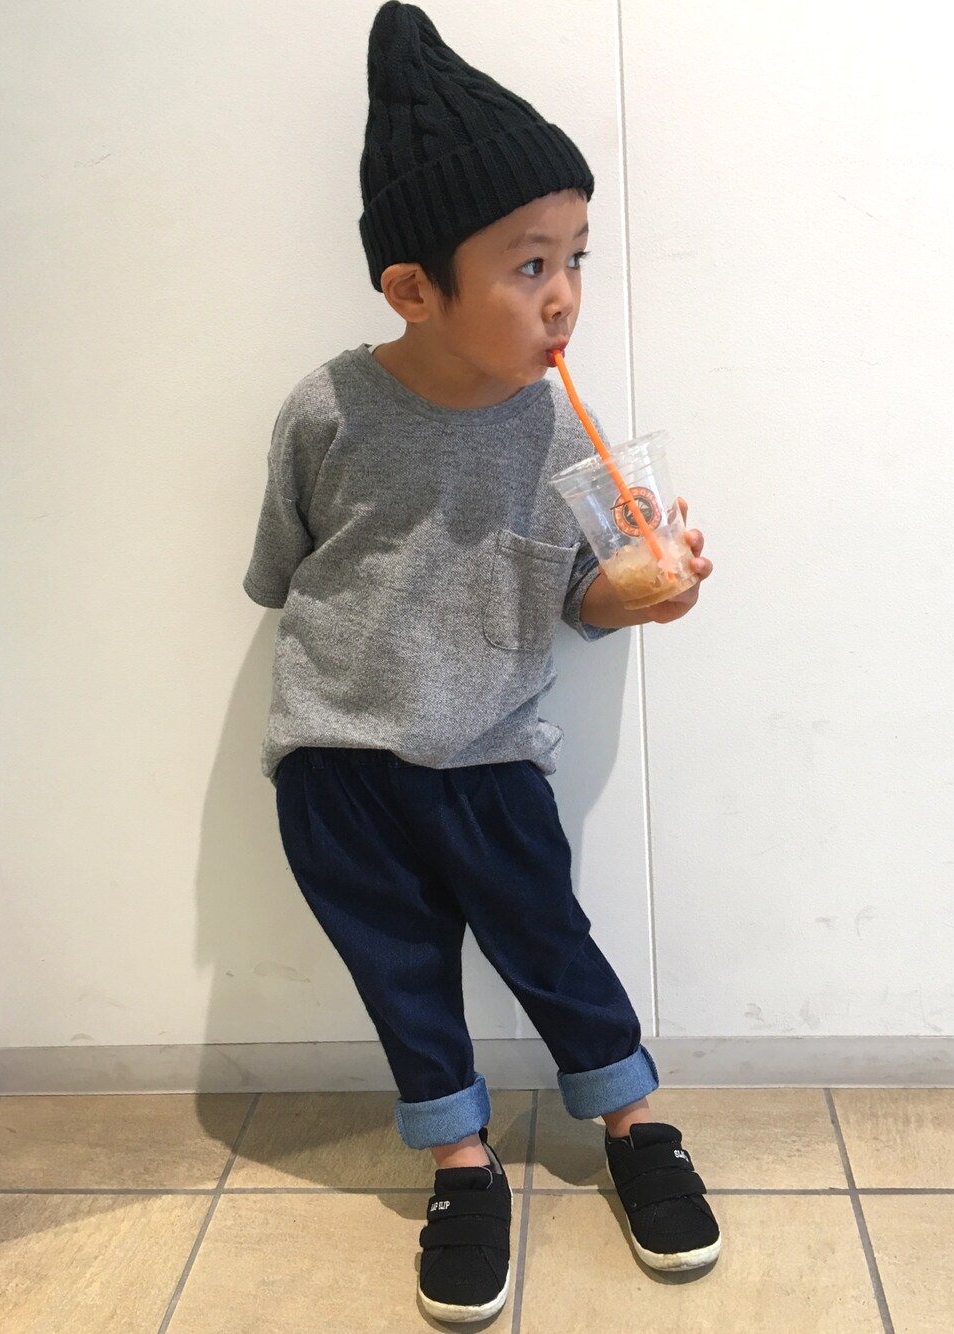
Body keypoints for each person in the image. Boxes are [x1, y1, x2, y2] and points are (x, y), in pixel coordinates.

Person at [243, 2, 718, 1323]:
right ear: (413, 289)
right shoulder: (328, 409)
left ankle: (632, 1123)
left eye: (576, 256)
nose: (563, 293)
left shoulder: (560, 428)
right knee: (398, 969)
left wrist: (650, 593)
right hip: (339, 759)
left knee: (549, 942)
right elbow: (284, 566)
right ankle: (460, 1160)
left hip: (493, 752)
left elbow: (587, 592)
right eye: (526, 264)